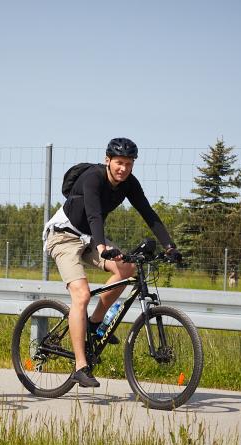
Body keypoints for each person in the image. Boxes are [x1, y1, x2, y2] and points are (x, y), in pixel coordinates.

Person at [43, 138, 181, 388]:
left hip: (89, 237)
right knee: (81, 295)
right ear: (108, 160)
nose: (123, 169)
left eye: (129, 164)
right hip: (63, 236)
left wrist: (169, 246)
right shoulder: (93, 178)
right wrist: (102, 247)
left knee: (127, 268)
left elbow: (148, 213)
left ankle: (95, 322)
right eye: (119, 163)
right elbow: (94, 214)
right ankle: (80, 367)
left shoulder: (129, 183)